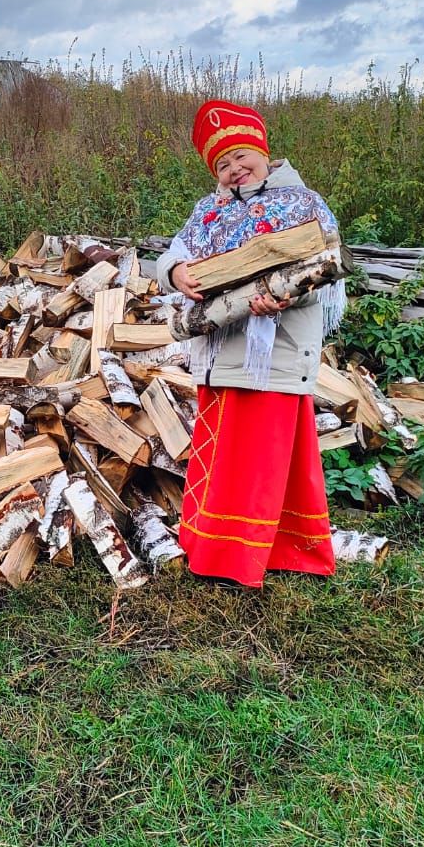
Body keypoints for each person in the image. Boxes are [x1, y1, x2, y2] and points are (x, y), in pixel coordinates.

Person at [151, 100, 346, 587]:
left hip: (273, 354)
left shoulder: (304, 204)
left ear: (262, 150)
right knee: (223, 453)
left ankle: (259, 555)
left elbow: (325, 275)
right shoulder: (208, 211)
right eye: (223, 164)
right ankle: (214, 549)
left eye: (242, 157)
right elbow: (172, 256)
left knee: (263, 456)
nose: (235, 169)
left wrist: (280, 298)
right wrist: (177, 272)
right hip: (221, 352)